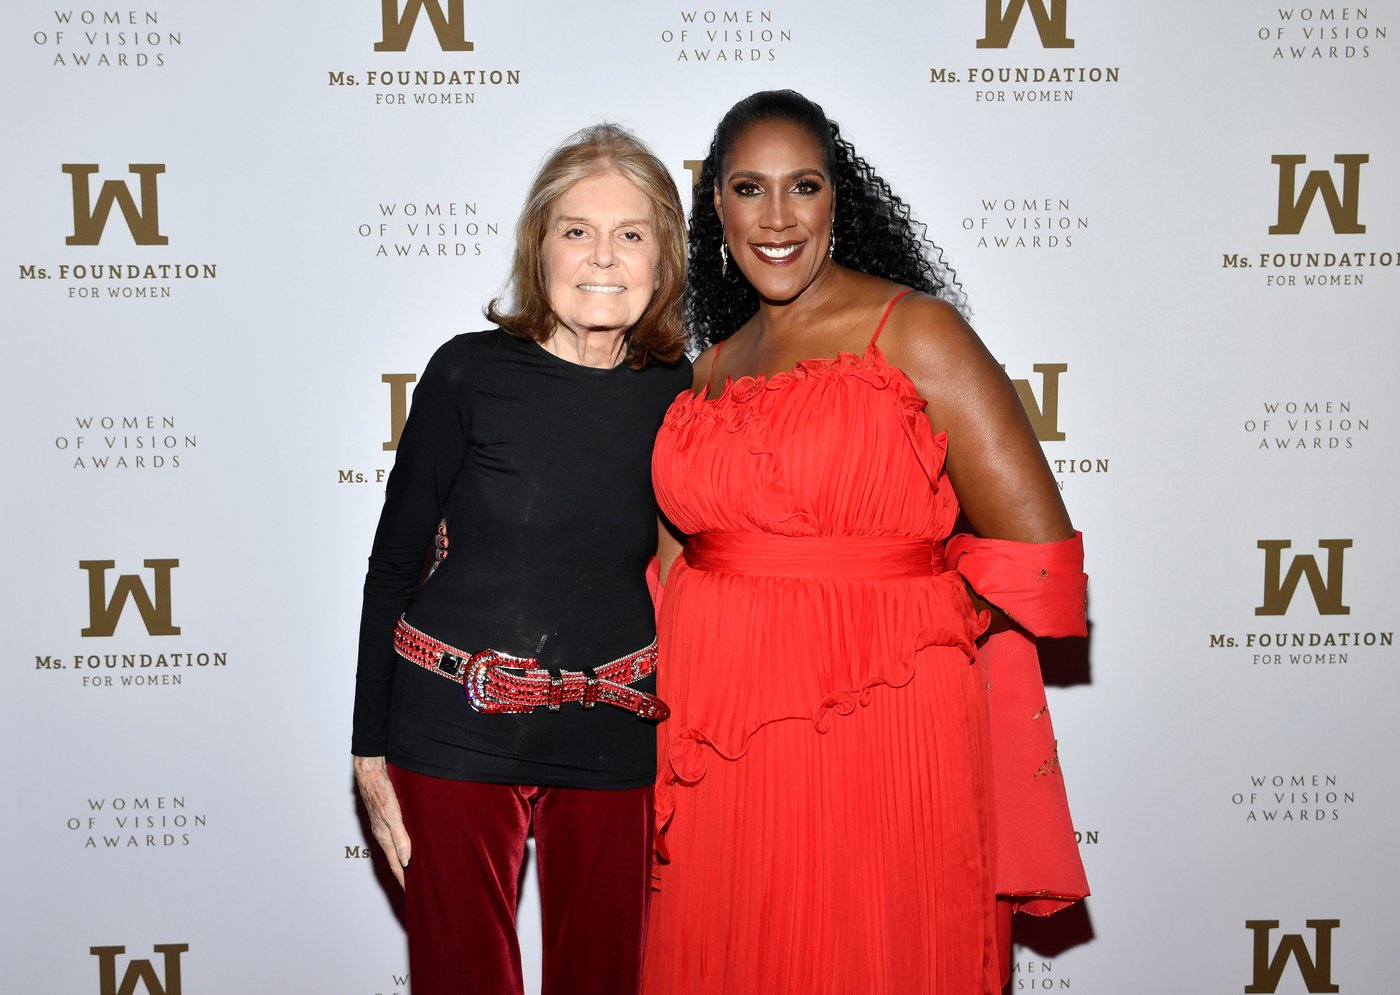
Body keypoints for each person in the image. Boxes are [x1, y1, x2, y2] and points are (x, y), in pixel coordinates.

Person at [643, 90, 1089, 995]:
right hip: (719, 738)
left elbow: (1040, 555)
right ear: (714, 207)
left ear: (836, 203)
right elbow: (667, 568)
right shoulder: (706, 369)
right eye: (748, 188)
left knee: (868, 951)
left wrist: (892, 610)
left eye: (802, 186)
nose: (776, 217)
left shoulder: (915, 332)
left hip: (878, 726)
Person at [351, 123, 692, 995]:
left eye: (631, 233)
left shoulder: (682, 391)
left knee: (606, 978)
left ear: (665, 254)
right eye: (576, 230)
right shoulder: (466, 374)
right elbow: (392, 563)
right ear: (539, 249)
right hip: (454, 716)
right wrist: (368, 747)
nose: (602, 258)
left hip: (614, 722)